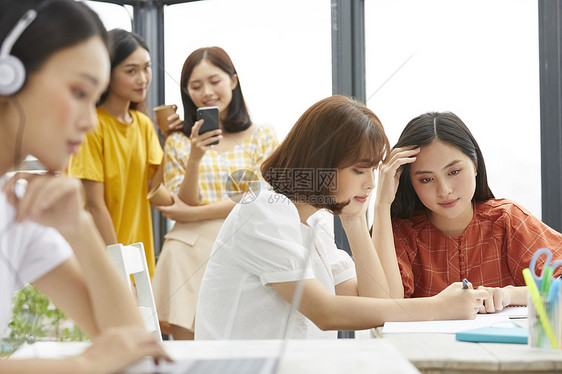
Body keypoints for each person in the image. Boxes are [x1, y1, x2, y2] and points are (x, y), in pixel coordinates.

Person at [194, 95, 488, 340]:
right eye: (360, 170)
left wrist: (355, 220)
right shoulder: (263, 212)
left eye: (373, 170)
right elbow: (326, 312)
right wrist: (438, 307)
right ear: (322, 163)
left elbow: (378, 305)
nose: (371, 183)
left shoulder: (315, 221)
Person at [0, 0, 170, 372]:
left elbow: (128, 338)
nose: (91, 123)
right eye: (79, 93)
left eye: (94, 101)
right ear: (7, 75)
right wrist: (83, 364)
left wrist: (79, 226)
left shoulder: (16, 208)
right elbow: (108, 352)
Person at [151, 46, 279, 340]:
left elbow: (258, 197)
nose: (207, 91)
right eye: (196, 86)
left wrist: (191, 214)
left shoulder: (263, 136)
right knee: (191, 351)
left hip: (245, 241)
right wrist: (195, 156)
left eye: (215, 81)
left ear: (233, 81)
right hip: (189, 249)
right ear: (187, 93)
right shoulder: (179, 143)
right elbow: (185, 201)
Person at [390, 111, 562, 313]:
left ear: (475, 165)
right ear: (409, 183)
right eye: (426, 179)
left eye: (454, 172)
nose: (444, 190)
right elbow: (383, 307)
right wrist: (381, 204)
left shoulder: (507, 220)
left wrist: (509, 294)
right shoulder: (401, 234)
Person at [68, 29, 164, 277]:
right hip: (104, 257)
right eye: (131, 71)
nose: (142, 79)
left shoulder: (143, 125)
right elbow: (93, 205)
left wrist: (174, 140)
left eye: (146, 68)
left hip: (137, 258)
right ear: (106, 74)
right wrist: (119, 268)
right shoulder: (91, 126)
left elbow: (156, 189)